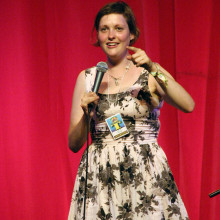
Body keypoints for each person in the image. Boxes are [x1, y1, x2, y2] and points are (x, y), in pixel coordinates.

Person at [68, 1, 194, 219]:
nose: (111, 35)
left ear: (132, 35)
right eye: (104, 29)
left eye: (119, 28)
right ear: (97, 36)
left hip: (144, 169)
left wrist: (154, 69)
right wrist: (86, 116)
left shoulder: (149, 71)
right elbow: (74, 144)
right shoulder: (87, 78)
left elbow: (188, 104)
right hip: (101, 173)